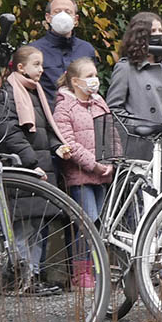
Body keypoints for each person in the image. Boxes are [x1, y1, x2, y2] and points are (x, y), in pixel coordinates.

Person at [0, 45, 70, 294]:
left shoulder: (35, 92)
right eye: (36, 64)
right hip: (24, 169)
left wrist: (57, 146)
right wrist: (31, 163)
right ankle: (20, 278)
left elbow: (45, 128)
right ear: (20, 67)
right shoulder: (8, 94)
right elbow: (9, 133)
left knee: (37, 227)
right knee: (24, 229)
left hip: (40, 167)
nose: (41, 69)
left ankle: (33, 276)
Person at [53, 57, 115, 290]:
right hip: (79, 175)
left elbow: (110, 131)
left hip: (102, 174)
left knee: (99, 223)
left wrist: (111, 160)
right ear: (76, 81)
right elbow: (68, 141)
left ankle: (98, 268)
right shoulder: (64, 107)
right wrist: (93, 164)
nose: (95, 80)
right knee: (84, 223)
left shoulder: (99, 102)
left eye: (95, 75)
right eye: (89, 76)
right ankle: (81, 274)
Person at [107, 12, 162, 187]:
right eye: (152, 31)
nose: (157, 35)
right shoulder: (125, 68)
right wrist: (140, 128)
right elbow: (114, 109)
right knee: (143, 202)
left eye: (160, 30)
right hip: (142, 145)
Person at [30, 0, 97, 103]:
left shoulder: (86, 49)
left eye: (68, 12)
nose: (62, 15)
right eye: (57, 12)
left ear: (75, 19)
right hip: (45, 117)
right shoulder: (33, 51)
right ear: (48, 18)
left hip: (82, 116)